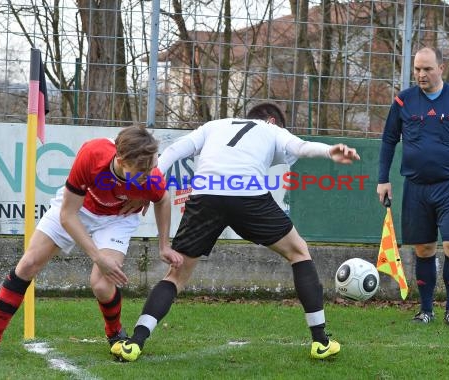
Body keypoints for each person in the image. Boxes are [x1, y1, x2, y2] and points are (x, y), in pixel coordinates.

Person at [110, 102, 361, 362]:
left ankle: (135, 343)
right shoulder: (270, 129)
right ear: (273, 121)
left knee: (176, 275)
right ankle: (320, 342)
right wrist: (329, 151)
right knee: (299, 253)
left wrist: (147, 187)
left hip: (206, 194)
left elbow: (174, 151)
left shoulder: (213, 126)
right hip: (248, 196)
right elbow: (301, 147)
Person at [0, 126, 183, 361]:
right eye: (141, 172)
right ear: (120, 160)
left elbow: (162, 200)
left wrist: (164, 245)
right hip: (79, 209)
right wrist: (98, 256)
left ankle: (115, 334)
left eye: (150, 169)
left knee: (100, 284)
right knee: (27, 265)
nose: (147, 176)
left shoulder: (151, 176)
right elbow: (68, 215)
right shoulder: (92, 154)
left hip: (117, 218)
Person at [376, 47, 449, 329]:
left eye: (427, 69)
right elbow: (389, 140)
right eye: (417, 69)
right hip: (416, 187)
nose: (421, 74)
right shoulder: (404, 100)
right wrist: (383, 179)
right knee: (424, 249)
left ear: (441, 68)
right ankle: (426, 310)